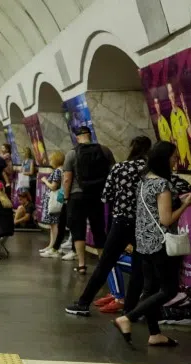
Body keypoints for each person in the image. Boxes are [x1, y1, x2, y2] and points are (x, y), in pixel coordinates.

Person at [113, 141, 191, 347]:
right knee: (168, 290)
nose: (176, 160)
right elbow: (166, 220)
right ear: (164, 159)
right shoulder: (163, 185)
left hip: (143, 243)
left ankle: (155, 333)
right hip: (161, 245)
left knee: (150, 290)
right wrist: (186, 204)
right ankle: (128, 318)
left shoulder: (144, 182)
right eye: (174, 157)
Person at [65, 136, 152, 316]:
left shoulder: (120, 167)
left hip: (121, 221)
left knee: (105, 263)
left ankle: (83, 303)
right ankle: (130, 310)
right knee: (138, 267)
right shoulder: (150, 170)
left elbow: (106, 196)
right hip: (143, 223)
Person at [62, 126, 115, 273]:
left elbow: (67, 179)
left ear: (77, 137)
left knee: (78, 229)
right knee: (98, 228)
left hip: (77, 196)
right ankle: (103, 265)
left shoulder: (72, 153)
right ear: (90, 135)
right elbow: (113, 173)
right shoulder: (105, 151)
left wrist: (66, 196)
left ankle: (81, 264)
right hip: (97, 195)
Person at [39, 151, 67, 258]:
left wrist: (45, 180)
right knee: (52, 224)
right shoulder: (61, 170)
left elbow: (53, 187)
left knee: (54, 224)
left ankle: (54, 246)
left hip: (54, 201)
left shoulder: (57, 172)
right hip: (55, 200)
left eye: (51, 159)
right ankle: (51, 245)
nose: (50, 161)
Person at [168, 84, 191, 170]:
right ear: (168, 96)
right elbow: (174, 138)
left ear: (174, 94)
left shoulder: (181, 112)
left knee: (190, 164)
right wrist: (177, 155)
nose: (171, 95)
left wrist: (186, 113)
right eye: (169, 93)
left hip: (186, 147)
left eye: (172, 92)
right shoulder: (171, 116)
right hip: (179, 151)